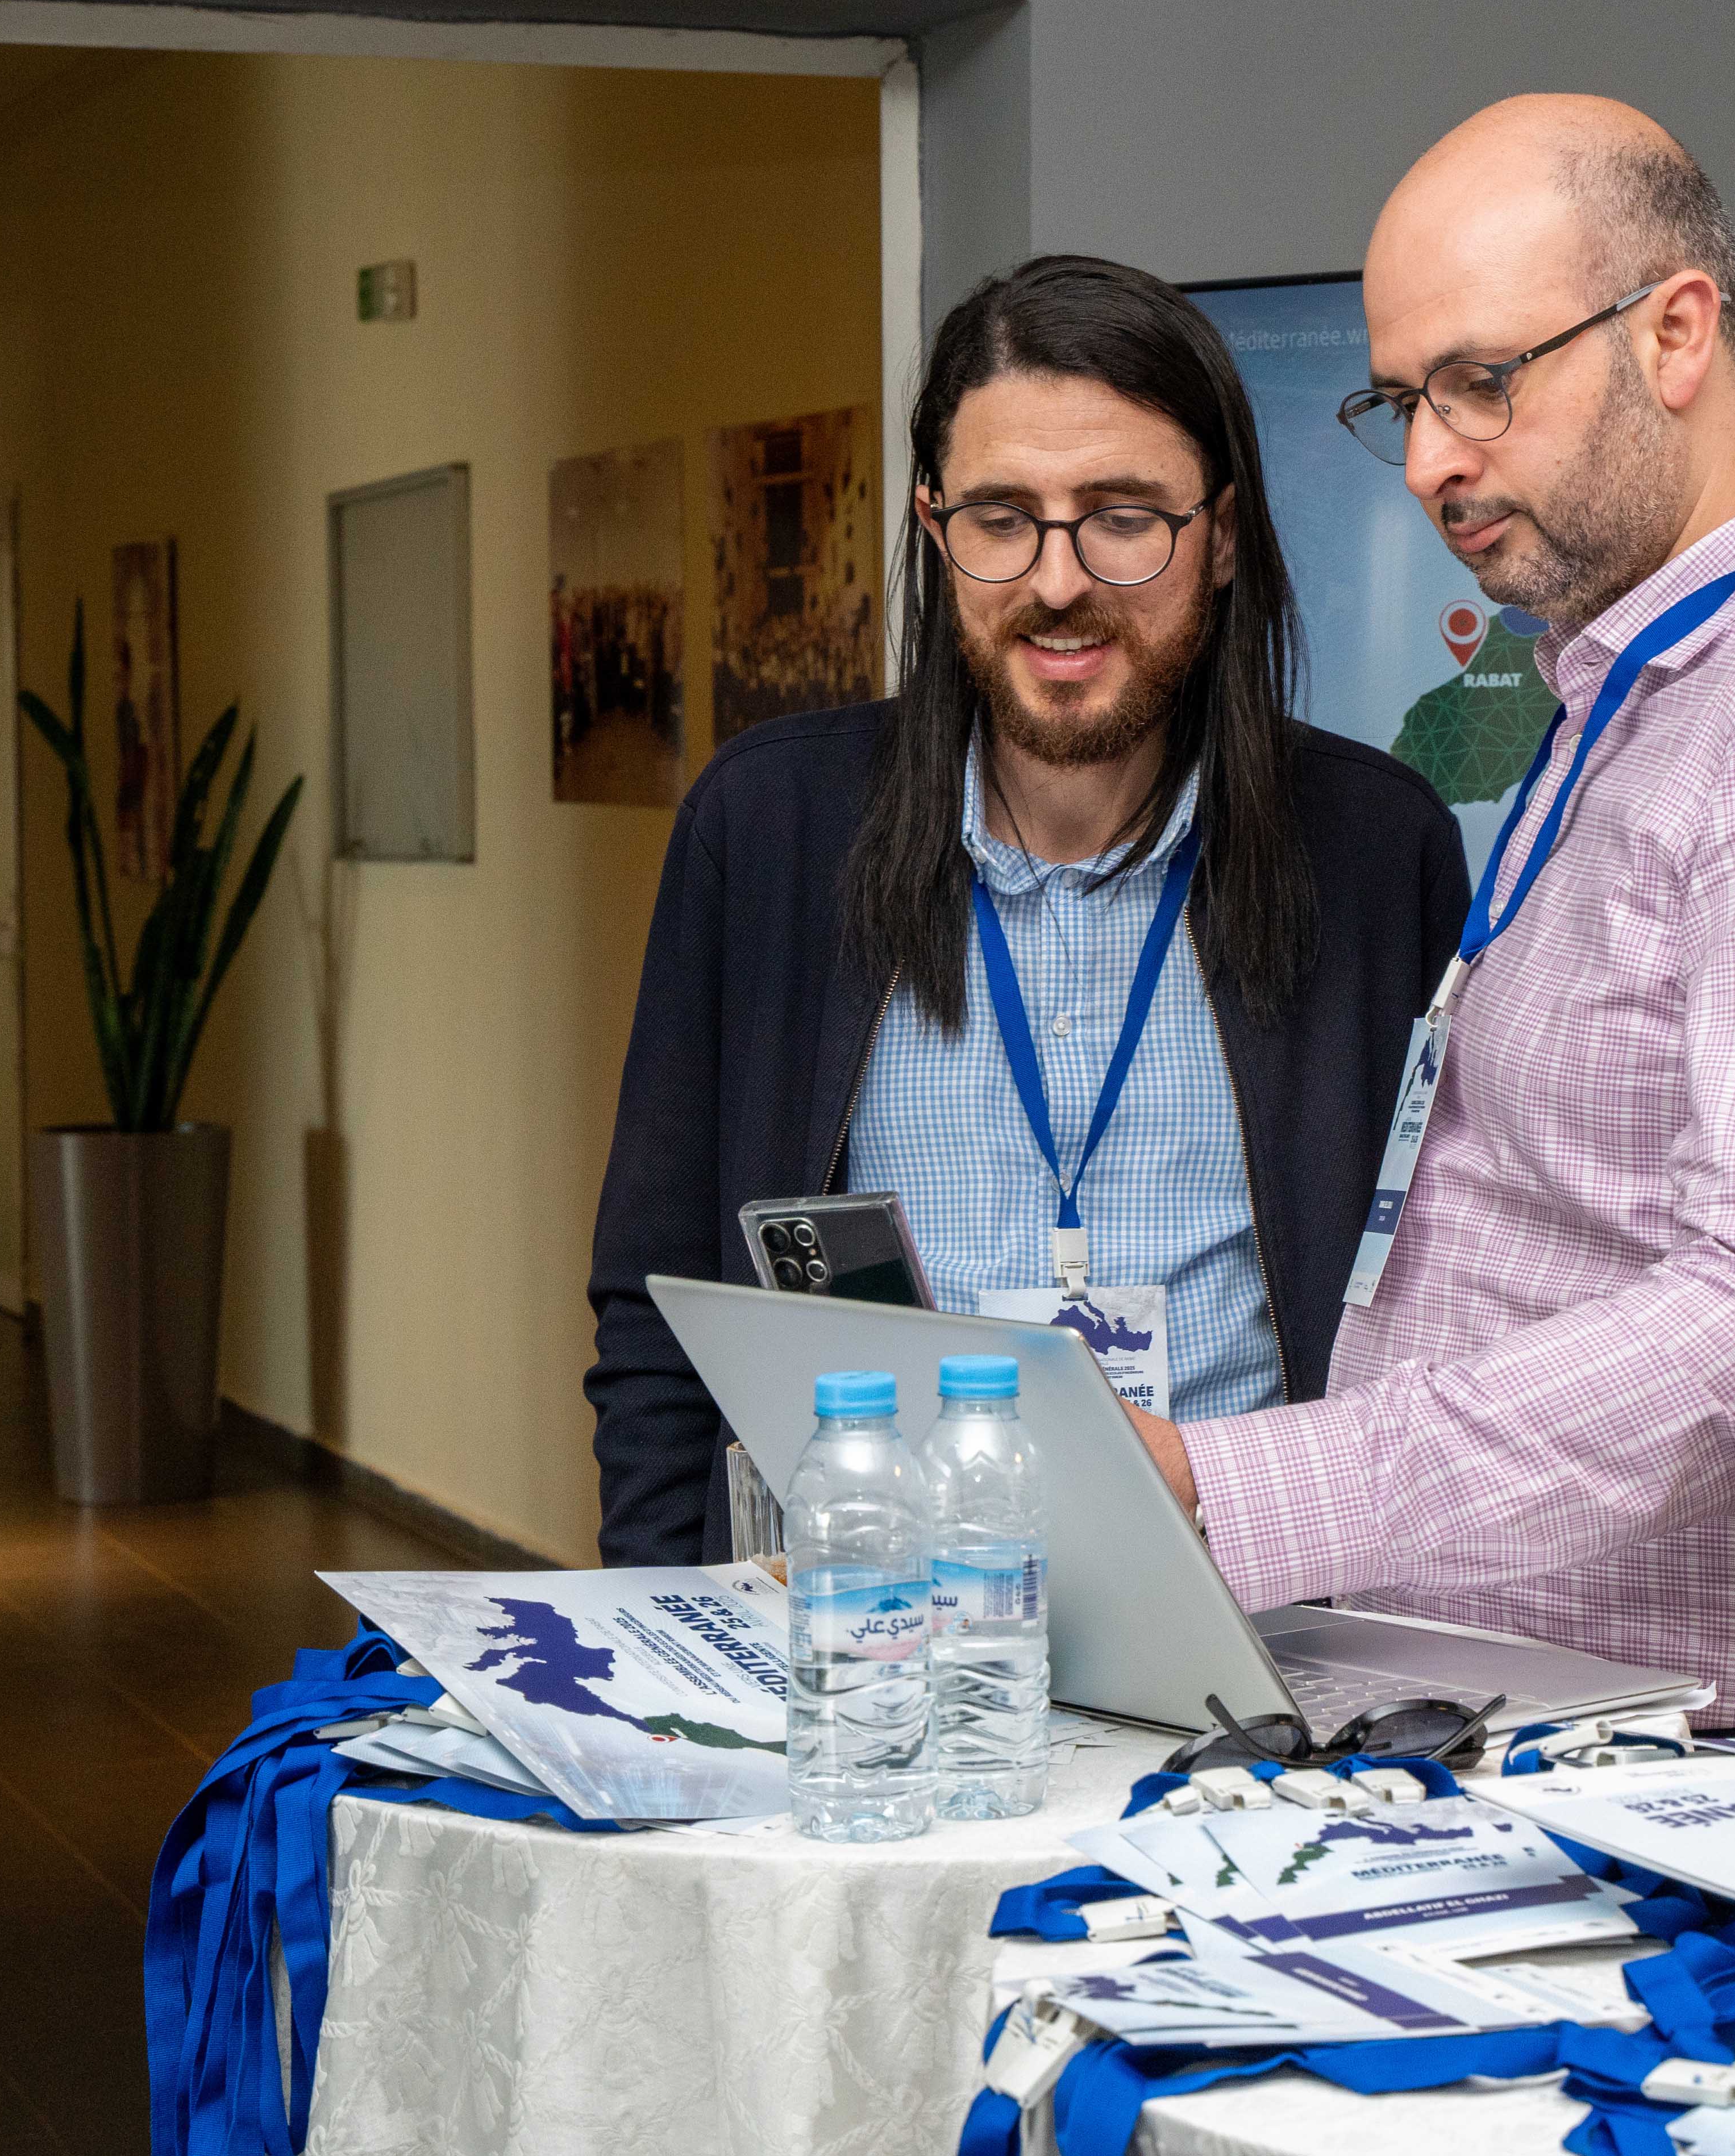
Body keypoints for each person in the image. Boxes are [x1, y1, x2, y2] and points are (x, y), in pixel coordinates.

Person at [1132, 98, 1735, 1788]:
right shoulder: (1646, 683)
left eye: (1478, 382)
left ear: (1675, 333)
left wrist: (1245, 1487)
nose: (1428, 462)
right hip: (1587, 1724)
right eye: (1401, 402)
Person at [584, 255, 1471, 1567]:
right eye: (1002, 517)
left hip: (1257, 1626)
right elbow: (655, 1307)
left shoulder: (1374, 852)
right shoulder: (769, 832)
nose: (1057, 580)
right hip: (864, 1622)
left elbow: (1440, 1309)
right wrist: (671, 1622)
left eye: (1122, 516)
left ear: (1223, 536)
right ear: (935, 527)